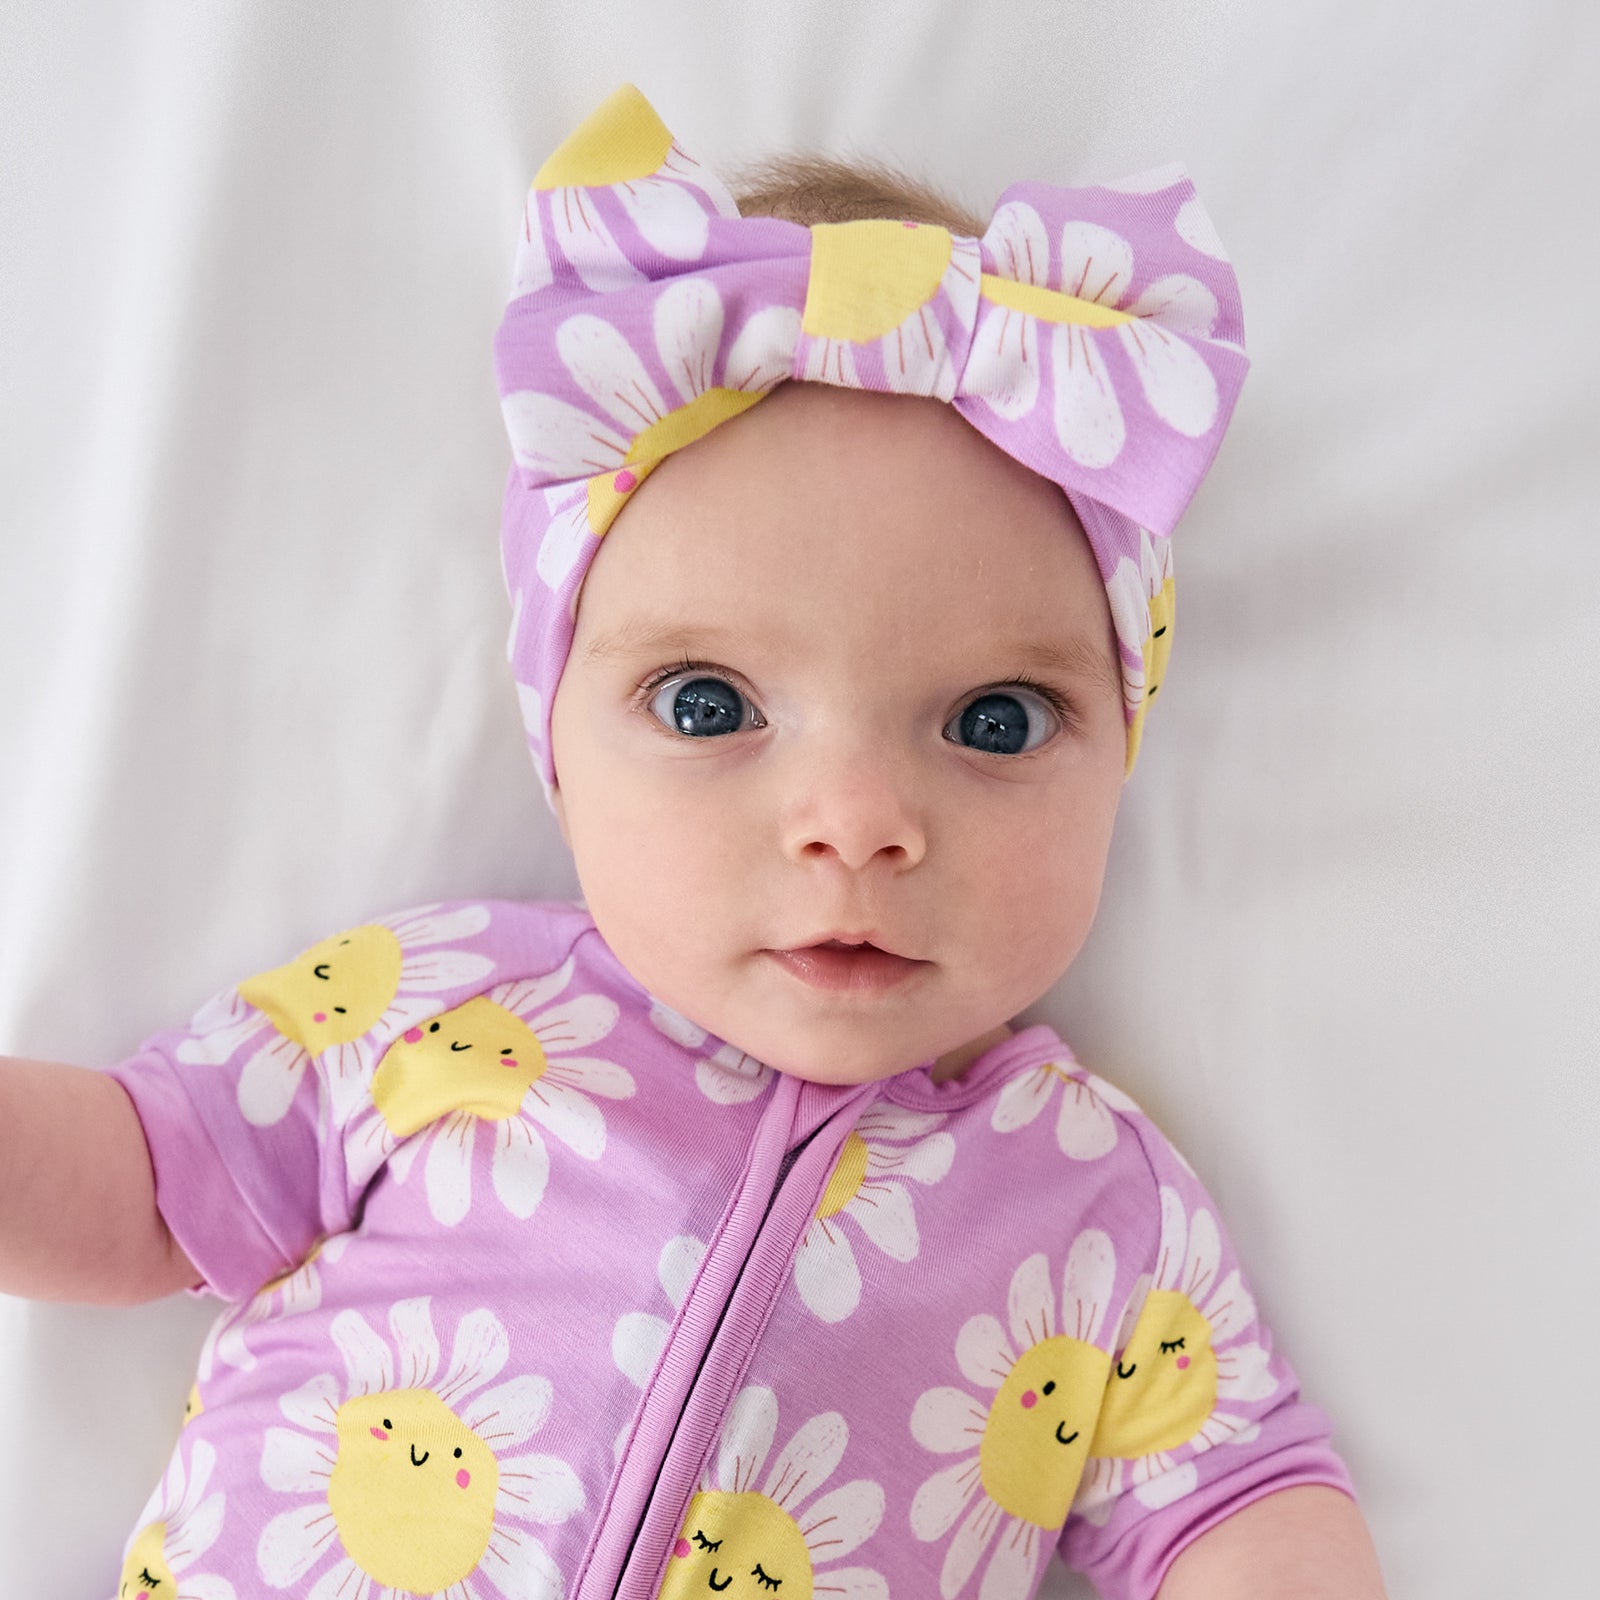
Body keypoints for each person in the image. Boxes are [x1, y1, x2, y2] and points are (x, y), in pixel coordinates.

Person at [0, 86, 1386, 1600]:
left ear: (1120, 749)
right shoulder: (444, 1004)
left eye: (993, 722)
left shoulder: (1095, 1204)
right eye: (710, 702)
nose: (855, 824)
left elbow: (1231, 1499)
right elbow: (147, 1177)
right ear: (554, 734)